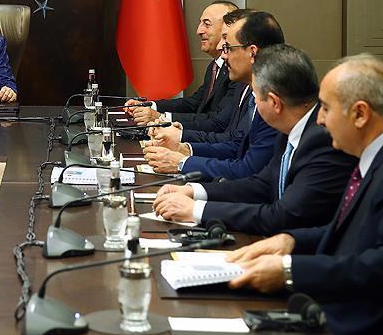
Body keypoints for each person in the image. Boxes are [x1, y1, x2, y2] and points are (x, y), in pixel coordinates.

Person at [227, 54, 383, 335]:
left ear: (360, 114)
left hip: (359, 327)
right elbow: (355, 233)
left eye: (325, 108)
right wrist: (291, 241)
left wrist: (290, 270)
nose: (319, 120)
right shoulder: (380, 155)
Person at [152, 44, 356, 234]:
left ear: (275, 103)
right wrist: (194, 191)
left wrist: (196, 210)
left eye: (256, 95)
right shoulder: (289, 129)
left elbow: (284, 215)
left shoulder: (322, 140)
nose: (254, 102)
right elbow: (262, 185)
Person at [143, 11, 282, 180]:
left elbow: (248, 169)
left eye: (228, 47)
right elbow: (236, 145)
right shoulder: (250, 89)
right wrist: (183, 148)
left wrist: (182, 162)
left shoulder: (273, 102)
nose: (222, 53)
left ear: (252, 52)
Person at [125, 0, 241, 125]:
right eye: (200, 23)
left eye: (207, 24)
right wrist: (150, 106)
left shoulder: (237, 71)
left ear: (228, 28)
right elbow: (195, 103)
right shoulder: (214, 66)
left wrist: (161, 117)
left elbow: (219, 121)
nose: (198, 31)